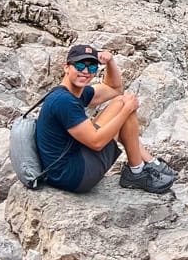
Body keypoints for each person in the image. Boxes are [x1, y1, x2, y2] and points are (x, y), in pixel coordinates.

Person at [35, 43, 176, 194]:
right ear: (66, 67)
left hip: (64, 170)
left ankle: (147, 163)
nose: (85, 71)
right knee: (123, 106)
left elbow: (114, 89)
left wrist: (110, 62)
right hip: (74, 176)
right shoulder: (64, 101)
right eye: (80, 66)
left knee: (120, 102)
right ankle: (137, 170)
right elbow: (97, 142)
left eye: (92, 68)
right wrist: (127, 109)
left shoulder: (71, 93)